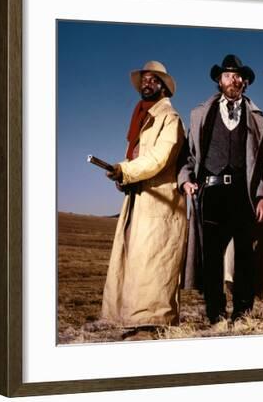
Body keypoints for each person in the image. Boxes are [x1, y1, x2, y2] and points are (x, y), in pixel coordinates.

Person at [177, 54, 263, 325]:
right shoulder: (200, 115)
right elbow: (187, 156)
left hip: (244, 194)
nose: (234, 80)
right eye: (228, 75)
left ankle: (243, 313)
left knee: (245, 255)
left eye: (238, 76)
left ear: (245, 82)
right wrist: (186, 180)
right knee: (211, 258)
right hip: (211, 192)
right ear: (219, 81)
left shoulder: (258, 119)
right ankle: (215, 314)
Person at [101, 60, 187, 340]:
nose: (146, 83)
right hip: (141, 197)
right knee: (137, 260)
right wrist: (122, 174)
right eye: (144, 80)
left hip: (161, 200)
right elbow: (139, 158)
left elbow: (158, 159)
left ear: (163, 86)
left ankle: (153, 325)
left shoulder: (169, 119)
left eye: (153, 79)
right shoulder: (142, 117)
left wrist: (125, 170)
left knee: (155, 262)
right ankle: (136, 322)